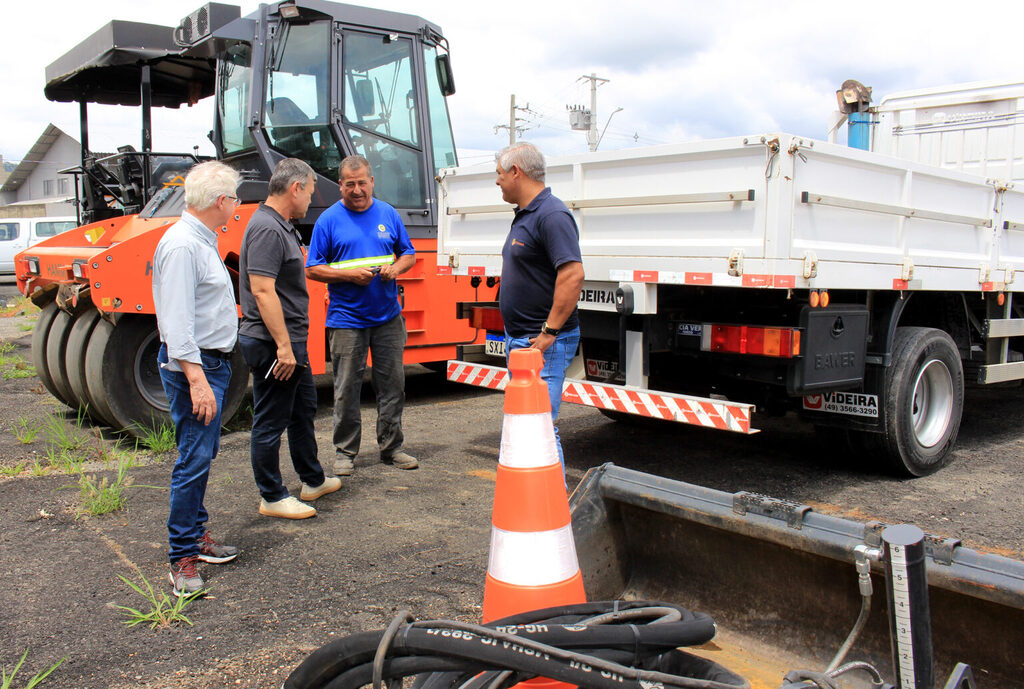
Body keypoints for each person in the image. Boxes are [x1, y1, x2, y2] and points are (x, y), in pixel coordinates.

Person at [152, 161, 242, 597]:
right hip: (198, 365)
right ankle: (181, 556)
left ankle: (195, 537)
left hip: (210, 363)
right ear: (221, 202)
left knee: (201, 453)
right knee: (193, 458)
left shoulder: (199, 241)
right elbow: (175, 321)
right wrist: (196, 378)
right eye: (235, 198)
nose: (237, 205)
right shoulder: (184, 246)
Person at [238, 158, 341, 520]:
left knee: (301, 411)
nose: (311, 200)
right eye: (310, 191)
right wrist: (283, 347)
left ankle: (312, 479)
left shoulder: (280, 225)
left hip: (290, 341)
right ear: (295, 188)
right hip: (273, 343)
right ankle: (271, 495)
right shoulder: (267, 228)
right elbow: (263, 291)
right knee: (270, 421)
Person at [305, 155, 418, 476]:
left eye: (362, 182)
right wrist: (349, 275)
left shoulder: (387, 213)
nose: (357, 190)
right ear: (340, 185)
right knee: (345, 389)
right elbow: (312, 268)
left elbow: (408, 253)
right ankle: (345, 453)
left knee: (393, 386)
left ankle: (392, 447)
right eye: (349, 184)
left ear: (372, 182)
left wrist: (396, 268)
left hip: (387, 318)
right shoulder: (328, 220)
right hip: (346, 321)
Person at [495, 142, 584, 467]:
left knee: (540, 427)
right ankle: (534, 509)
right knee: (527, 425)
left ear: (516, 172)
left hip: (540, 341)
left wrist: (548, 332)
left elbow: (573, 274)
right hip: (524, 340)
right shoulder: (527, 214)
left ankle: (553, 511)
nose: (497, 181)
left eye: (500, 174)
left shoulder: (551, 215)